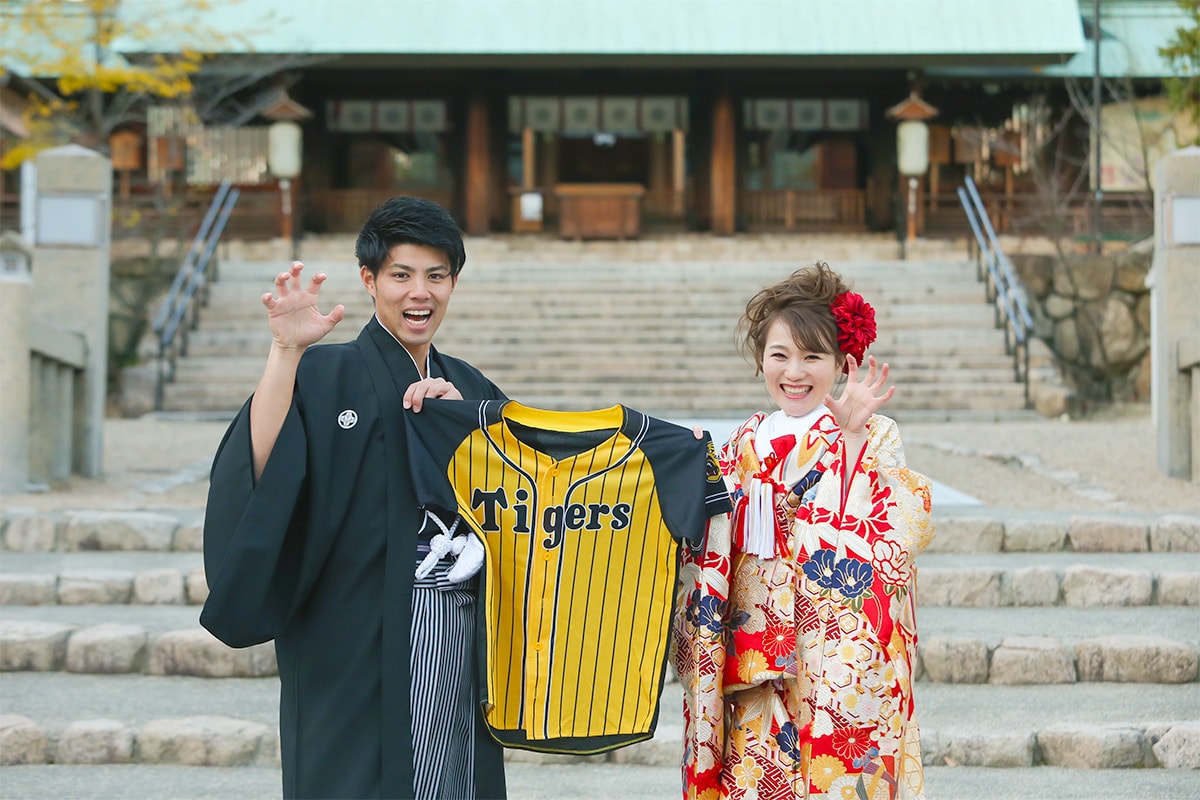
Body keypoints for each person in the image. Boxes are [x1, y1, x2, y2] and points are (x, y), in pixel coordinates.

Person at [199, 196, 508, 800]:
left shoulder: (470, 388)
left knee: (452, 780)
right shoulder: (325, 373)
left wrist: (466, 429)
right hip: (351, 633)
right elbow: (260, 472)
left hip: (457, 631)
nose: (420, 292)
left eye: (436, 276)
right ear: (369, 280)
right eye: (401, 275)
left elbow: (521, 505)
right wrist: (286, 352)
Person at [673, 262, 935, 800]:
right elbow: (706, 539)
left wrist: (853, 440)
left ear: (841, 362)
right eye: (780, 355)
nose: (795, 372)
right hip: (750, 663)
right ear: (760, 359)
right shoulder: (741, 441)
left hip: (832, 667)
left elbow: (893, 532)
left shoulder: (871, 432)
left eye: (813, 356)